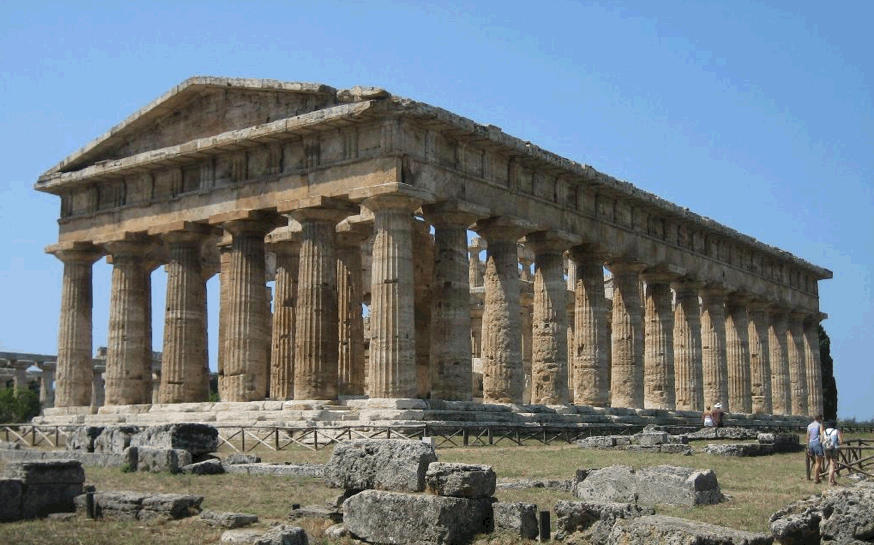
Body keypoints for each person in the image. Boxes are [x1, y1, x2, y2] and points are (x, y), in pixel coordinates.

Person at [823, 420, 843, 486]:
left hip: (826, 449)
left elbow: (822, 440)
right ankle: (830, 482)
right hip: (834, 449)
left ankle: (833, 480)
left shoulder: (824, 432)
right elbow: (841, 441)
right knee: (832, 465)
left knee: (830, 464)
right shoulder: (836, 431)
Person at [806, 414, 824, 483]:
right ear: (820, 418)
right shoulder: (820, 424)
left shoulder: (809, 426)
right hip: (817, 443)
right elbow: (822, 434)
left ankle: (811, 476)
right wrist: (822, 443)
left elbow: (807, 437)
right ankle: (816, 478)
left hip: (810, 443)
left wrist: (808, 447)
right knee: (818, 462)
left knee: (814, 461)